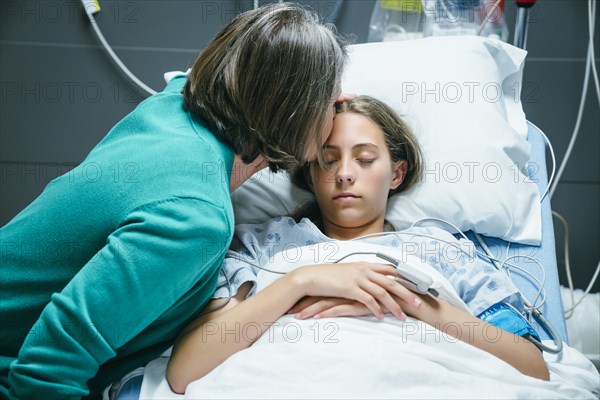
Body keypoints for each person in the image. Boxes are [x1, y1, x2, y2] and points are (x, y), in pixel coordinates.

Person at [0, 4, 386, 399]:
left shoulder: (169, 107)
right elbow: (45, 370)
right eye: (327, 101)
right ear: (294, 113)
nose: (334, 108)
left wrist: (306, 97)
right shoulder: (195, 219)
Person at [166, 96, 549, 393]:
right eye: (328, 161)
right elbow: (186, 370)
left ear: (397, 174)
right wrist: (299, 282)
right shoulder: (264, 246)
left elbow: (533, 366)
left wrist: (407, 300)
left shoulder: (440, 250)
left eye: (365, 159)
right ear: (311, 175)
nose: (346, 174)